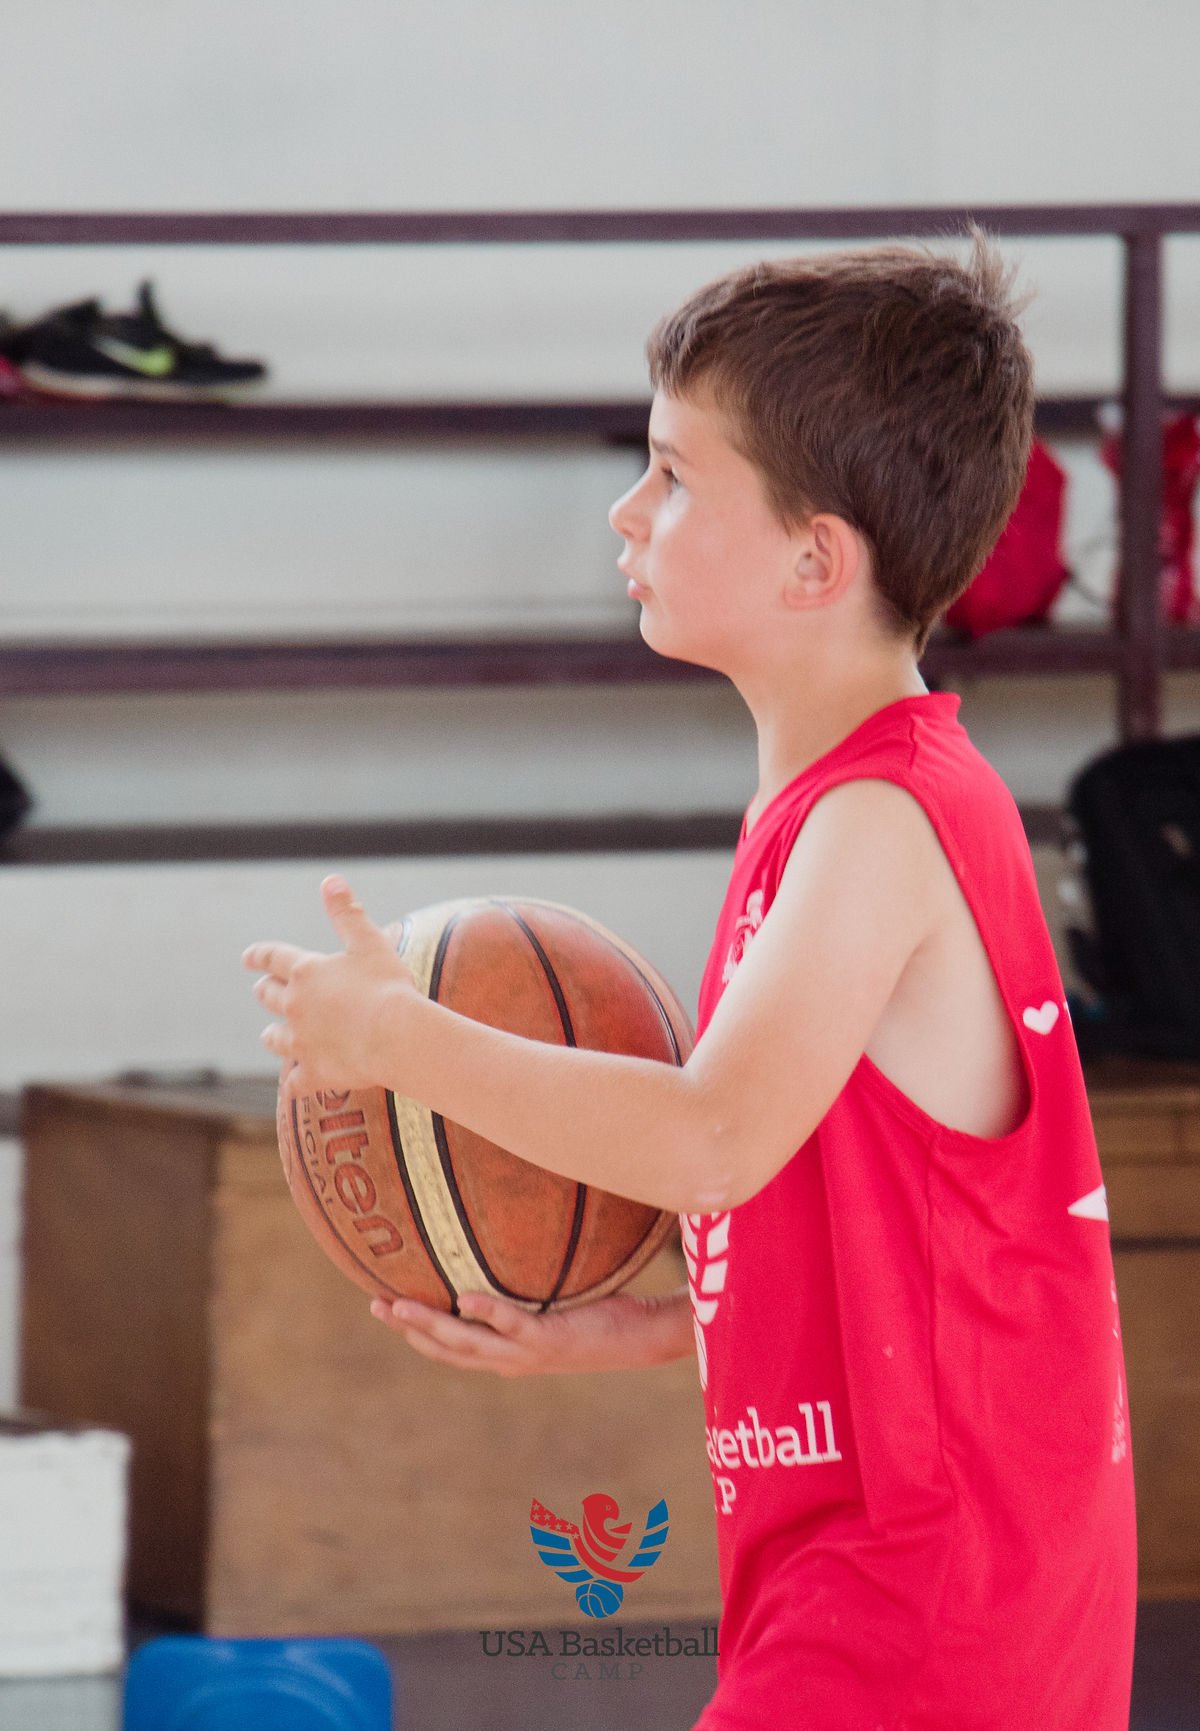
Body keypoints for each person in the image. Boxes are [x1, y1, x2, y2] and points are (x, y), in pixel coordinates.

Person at [243, 231, 1137, 1730]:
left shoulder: (878, 823)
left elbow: (714, 1140)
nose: (626, 508)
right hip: (919, 1567)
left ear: (814, 559)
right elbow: (868, 1209)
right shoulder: (849, 802)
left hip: (924, 1597)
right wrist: (654, 1323)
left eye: (671, 474)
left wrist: (400, 1038)